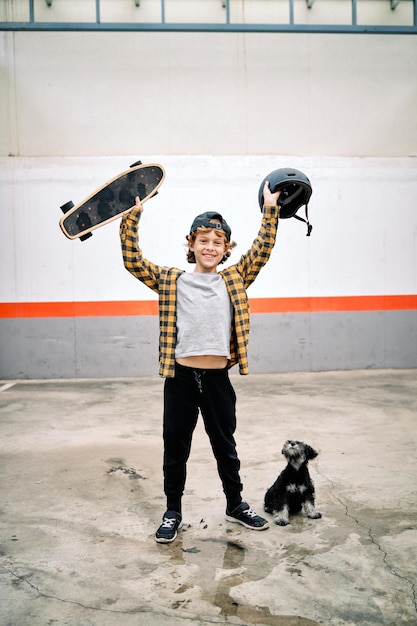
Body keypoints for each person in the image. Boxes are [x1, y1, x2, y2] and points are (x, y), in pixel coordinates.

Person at [119, 180, 281, 543]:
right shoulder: (171, 281)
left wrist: (270, 209)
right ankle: (172, 511)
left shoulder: (235, 279)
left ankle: (235, 504)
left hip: (217, 379)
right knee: (175, 446)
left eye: (217, 242)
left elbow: (262, 250)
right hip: (180, 379)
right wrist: (132, 219)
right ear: (191, 245)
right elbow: (132, 260)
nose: (210, 247)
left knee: (226, 445)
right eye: (203, 240)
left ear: (226, 250)